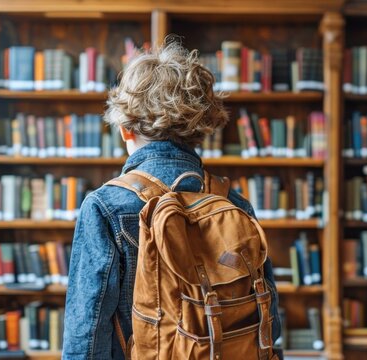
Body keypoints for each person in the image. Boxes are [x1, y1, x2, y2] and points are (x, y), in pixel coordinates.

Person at [62, 39, 281, 360]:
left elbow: (88, 330)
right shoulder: (234, 203)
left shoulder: (105, 206)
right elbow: (266, 316)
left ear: (125, 129)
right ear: (199, 129)